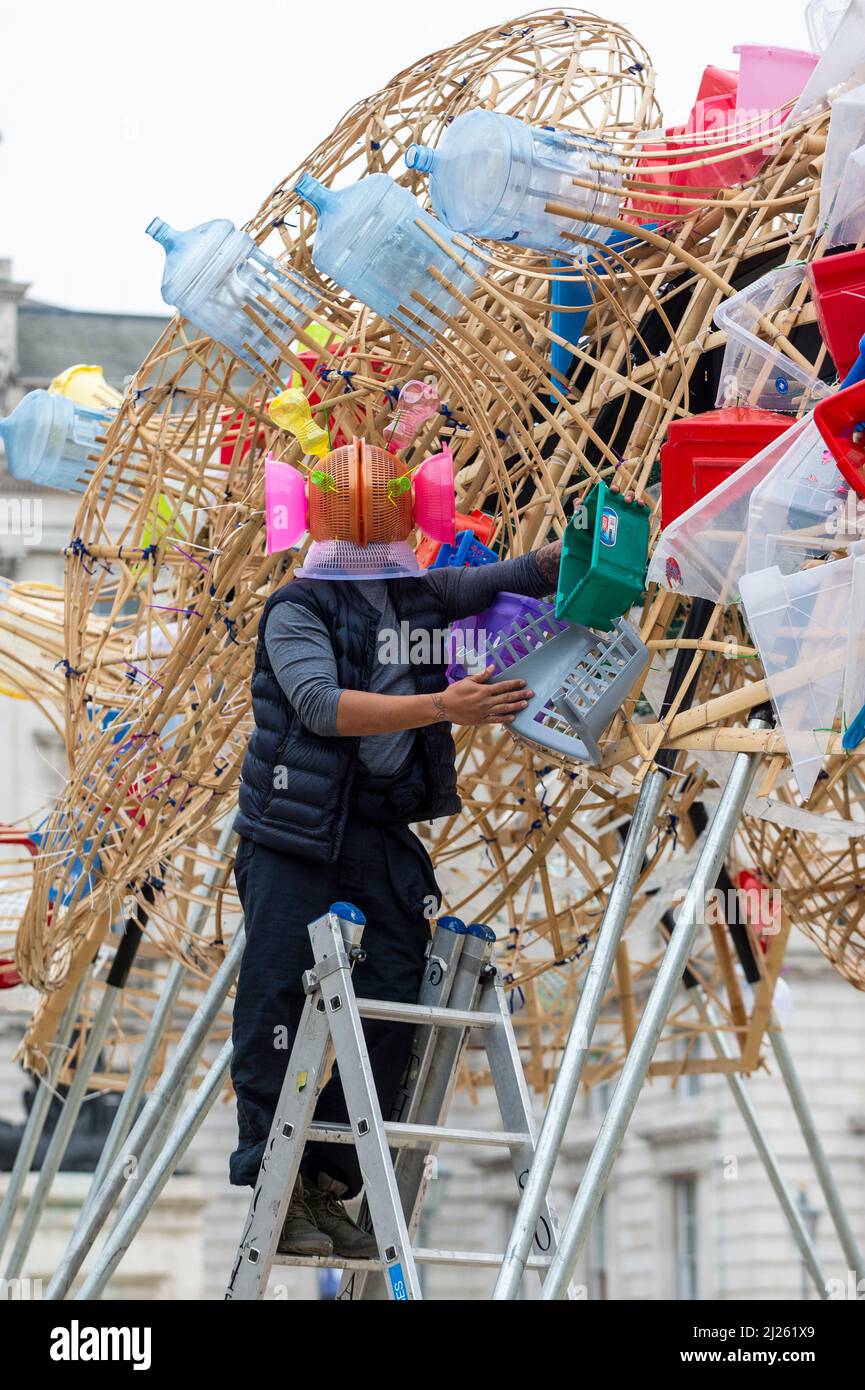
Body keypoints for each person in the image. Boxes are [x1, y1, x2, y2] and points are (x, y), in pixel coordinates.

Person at [229, 480, 642, 1257]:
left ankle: (327, 1181)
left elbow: (517, 574)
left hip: (376, 830)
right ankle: (273, 1182)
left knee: (392, 997)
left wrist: (592, 546)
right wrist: (443, 708)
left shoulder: (416, 594)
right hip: (293, 832)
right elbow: (321, 706)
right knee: (279, 998)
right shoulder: (298, 609)